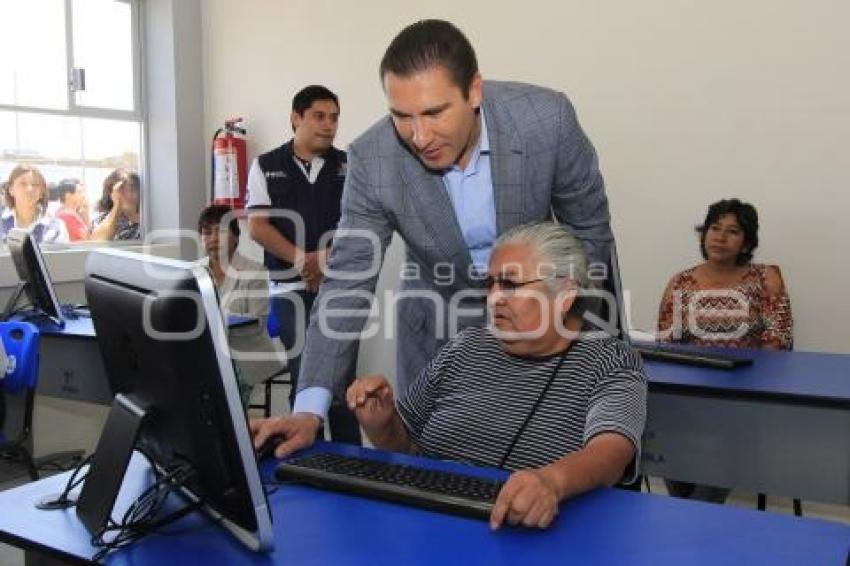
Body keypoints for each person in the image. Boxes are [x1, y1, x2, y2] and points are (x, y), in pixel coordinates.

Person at [250, 20, 613, 458]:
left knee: (537, 470)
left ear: (474, 91)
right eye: (402, 117)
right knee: (428, 474)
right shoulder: (374, 158)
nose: (419, 137)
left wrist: (569, 326)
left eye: (435, 112)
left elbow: (589, 232)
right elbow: (347, 279)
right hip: (435, 332)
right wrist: (308, 410)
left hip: (540, 325)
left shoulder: (546, 121)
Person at [255, 222, 646, 529]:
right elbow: (404, 447)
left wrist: (551, 482)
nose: (494, 297)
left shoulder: (609, 360)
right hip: (421, 524)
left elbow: (610, 453)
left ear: (564, 295)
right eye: (489, 284)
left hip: (524, 533)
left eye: (509, 284)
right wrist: (381, 422)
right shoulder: (466, 347)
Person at [657, 198, 793, 503]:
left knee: (719, 457)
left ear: (746, 242)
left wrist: (742, 388)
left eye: (732, 231)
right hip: (690, 396)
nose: (719, 237)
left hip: (743, 396)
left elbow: (778, 342)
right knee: (662, 426)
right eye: (714, 228)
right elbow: (665, 347)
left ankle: (695, 514)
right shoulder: (681, 282)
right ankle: (692, 514)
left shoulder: (765, 278)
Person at [246, 85, 361, 444]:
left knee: (341, 381)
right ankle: (310, 466)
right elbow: (257, 226)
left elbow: (360, 224)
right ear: (297, 118)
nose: (329, 125)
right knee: (305, 378)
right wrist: (301, 260)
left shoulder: (349, 165)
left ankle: (351, 467)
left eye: (334, 118)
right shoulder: (266, 165)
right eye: (319, 116)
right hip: (290, 288)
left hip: (339, 286)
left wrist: (323, 260)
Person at [197, 204, 286, 405]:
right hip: (205, 352)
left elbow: (257, 323)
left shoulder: (254, 271)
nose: (212, 238)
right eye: (206, 232)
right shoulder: (194, 272)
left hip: (242, 353)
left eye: (220, 231)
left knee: (221, 400)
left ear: (236, 236)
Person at [0, 165, 69, 244]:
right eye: (23, 184)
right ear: (11, 189)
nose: (29, 189)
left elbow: (61, 256)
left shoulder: (56, 228)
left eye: (35, 185)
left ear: (41, 192)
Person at [91, 169, 142, 241]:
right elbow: (98, 242)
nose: (129, 195)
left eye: (133, 189)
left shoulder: (148, 220)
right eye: (122, 191)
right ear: (111, 193)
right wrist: (117, 206)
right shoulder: (102, 219)